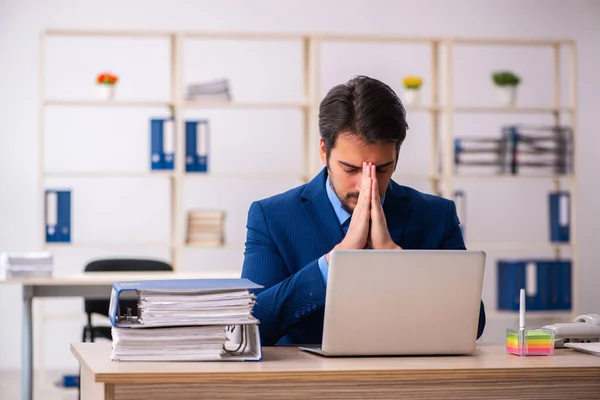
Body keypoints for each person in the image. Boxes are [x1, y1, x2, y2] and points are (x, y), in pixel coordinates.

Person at [241, 75, 486, 346]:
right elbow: (249, 324)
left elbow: (473, 324)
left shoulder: (437, 216)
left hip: (409, 381)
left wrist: (399, 262)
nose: (364, 184)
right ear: (324, 151)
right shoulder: (272, 217)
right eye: (350, 168)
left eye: (381, 169)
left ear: (397, 157)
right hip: (308, 384)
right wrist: (335, 262)